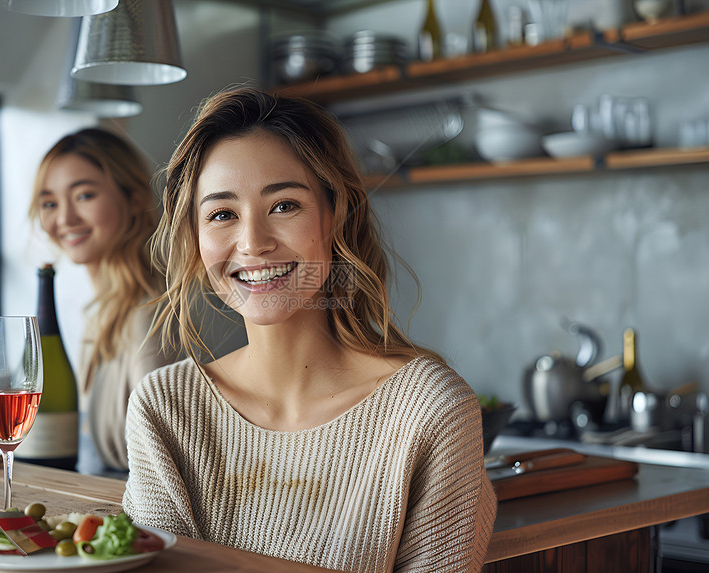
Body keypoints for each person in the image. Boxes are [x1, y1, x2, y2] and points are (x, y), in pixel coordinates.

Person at [124, 87, 496, 572]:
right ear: (195, 239)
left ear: (335, 214)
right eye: (222, 214)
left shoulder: (431, 413)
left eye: (284, 206)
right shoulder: (165, 407)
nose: (253, 243)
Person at [29, 127, 170, 474]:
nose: (64, 219)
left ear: (135, 197)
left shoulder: (150, 310)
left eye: (84, 196)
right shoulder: (104, 312)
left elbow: (161, 456)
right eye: (50, 203)